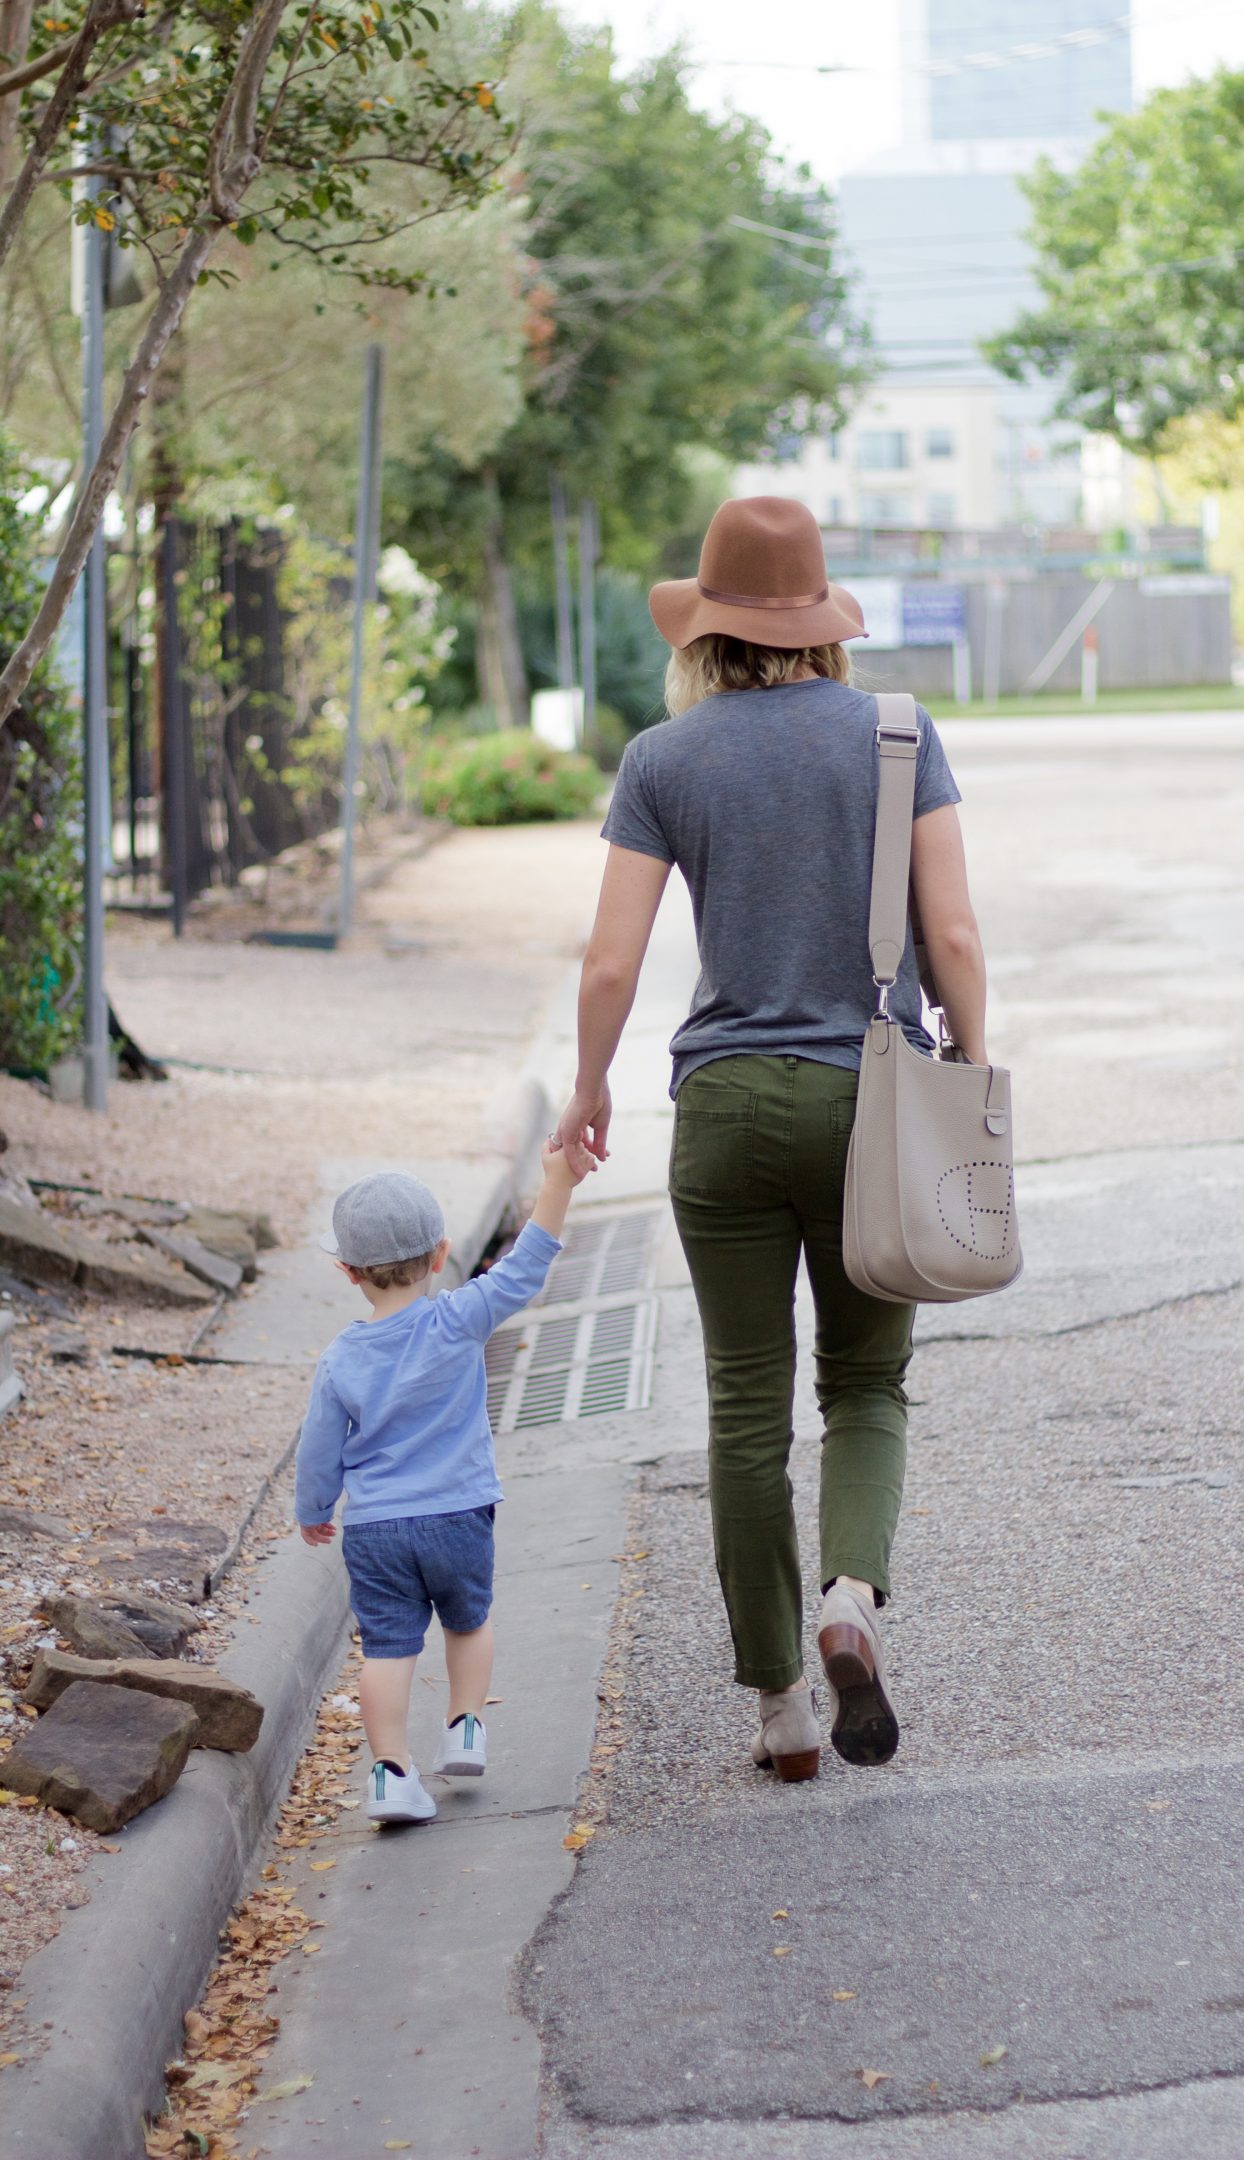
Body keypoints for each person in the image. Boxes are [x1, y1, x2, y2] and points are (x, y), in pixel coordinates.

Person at [555, 495, 988, 1782]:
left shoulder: (664, 760)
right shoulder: (899, 735)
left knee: (745, 1406)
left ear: (710, 629)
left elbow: (610, 960)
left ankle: (781, 1708)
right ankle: (852, 1595)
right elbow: (952, 935)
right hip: (872, 1101)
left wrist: (588, 1090)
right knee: (863, 1385)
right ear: (821, 624)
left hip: (726, 1110)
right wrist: (968, 1056)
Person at [294, 1152, 593, 1823]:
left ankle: (390, 1773)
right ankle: (464, 1727)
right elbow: (524, 1269)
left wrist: (314, 1509)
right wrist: (556, 1184)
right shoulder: (458, 1317)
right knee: (468, 1621)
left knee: (388, 1650)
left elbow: (319, 1448)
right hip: (458, 1515)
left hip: (375, 1530)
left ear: (348, 1272)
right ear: (440, 1256)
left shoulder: (340, 1356)